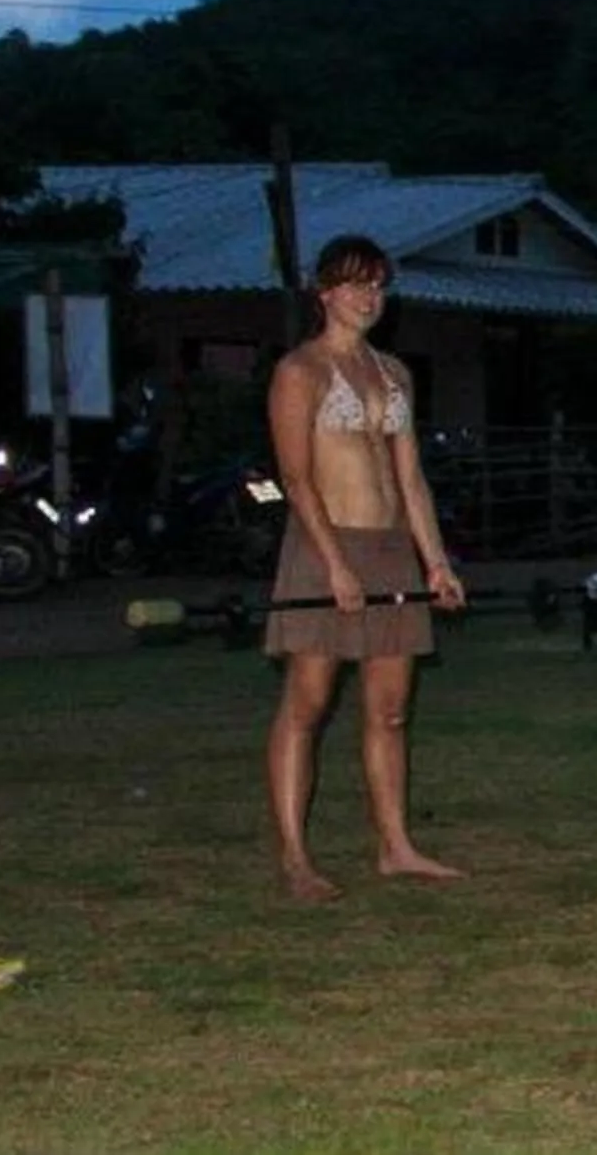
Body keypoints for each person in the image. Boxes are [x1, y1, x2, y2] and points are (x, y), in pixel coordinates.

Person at [262, 234, 467, 903]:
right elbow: (296, 480)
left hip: (389, 551)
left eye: (378, 285)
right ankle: (296, 858)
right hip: (324, 548)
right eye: (356, 284)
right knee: (308, 703)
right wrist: (335, 566)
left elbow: (411, 480)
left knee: (390, 711)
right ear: (326, 292)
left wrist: (436, 562)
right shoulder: (300, 371)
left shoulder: (394, 373)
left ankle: (396, 847)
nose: (369, 297)